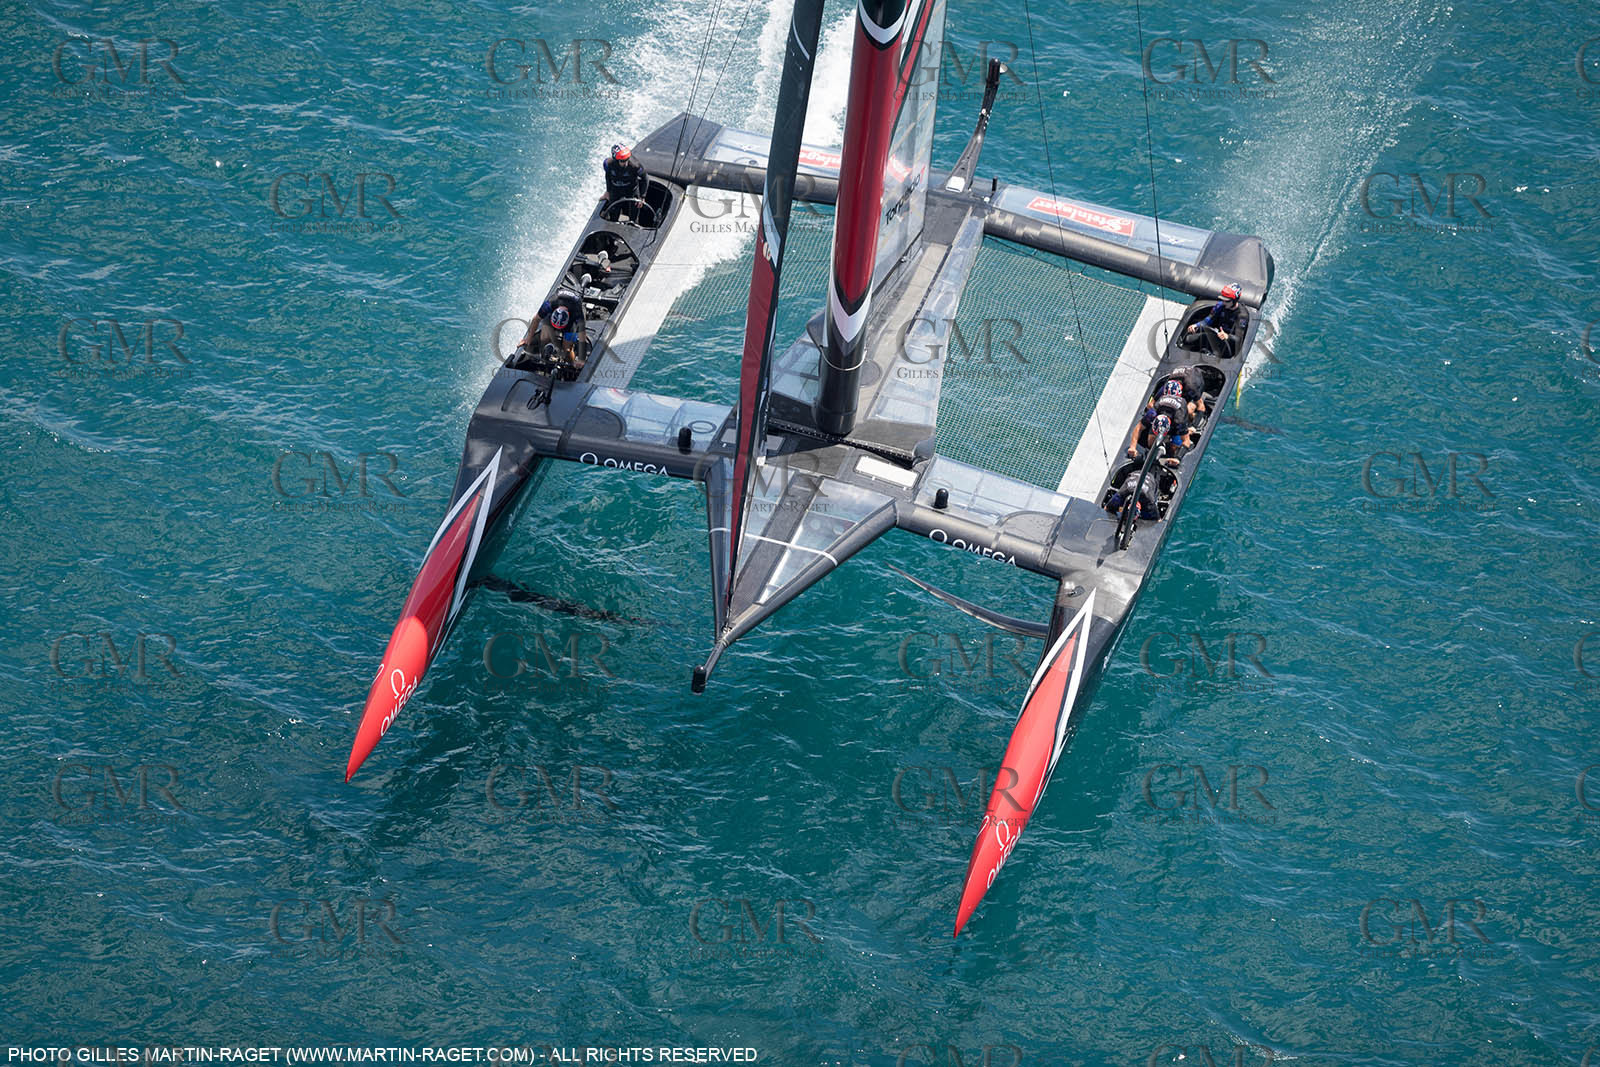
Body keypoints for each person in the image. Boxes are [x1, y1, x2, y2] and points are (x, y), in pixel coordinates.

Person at [1185, 282, 1244, 358]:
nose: (1223, 302)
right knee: (1188, 340)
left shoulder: (1242, 316)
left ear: (1235, 300)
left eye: (1226, 301)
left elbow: (1240, 339)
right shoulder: (1220, 306)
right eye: (1223, 300)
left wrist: (1227, 336)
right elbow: (1208, 320)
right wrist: (1196, 325)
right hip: (1215, 335)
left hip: (1228, 345)